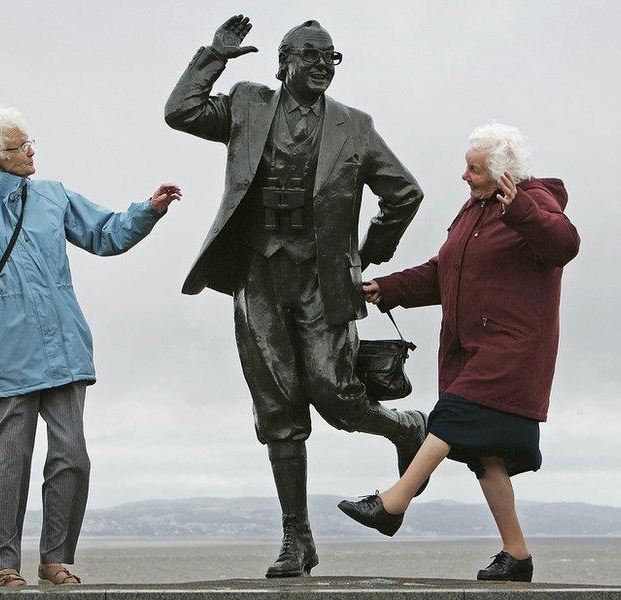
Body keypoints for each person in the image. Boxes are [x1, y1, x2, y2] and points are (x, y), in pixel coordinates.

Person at [164, 15, 427, 577]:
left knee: (337, 396)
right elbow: (180, 111)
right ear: (284, 62)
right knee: (278, 409)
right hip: (257, 274)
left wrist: (367, 253)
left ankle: (405, 427)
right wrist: (214, 55)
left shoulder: (355, 126)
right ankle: (296, 539)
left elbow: (404, 192)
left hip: (319, 278)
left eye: (331, 57)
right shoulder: (248, 105)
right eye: (312, 56)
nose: (323, 67)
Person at [0, 106, 181, 587]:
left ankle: (55, 559)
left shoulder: (52, 195)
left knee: (72, 456)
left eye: (30, 141)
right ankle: (4, 566)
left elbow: (105, 234)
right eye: (20, 144)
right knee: (11, 463)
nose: (31, 150)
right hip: (8, 350)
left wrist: (148, 210)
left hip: (65, 346)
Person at [337, 124, 580, 583]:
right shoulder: (473, 210)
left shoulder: (535, 201)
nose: (464, 176)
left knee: (449, 416)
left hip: (514, 347)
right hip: (471, 347)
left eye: (474, 168)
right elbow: (443, 273)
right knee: (487, 456)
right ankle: (517, 556)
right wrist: (386, 288)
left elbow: (563, 245)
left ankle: (394, 502)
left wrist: (521, 208)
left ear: (503, 172)